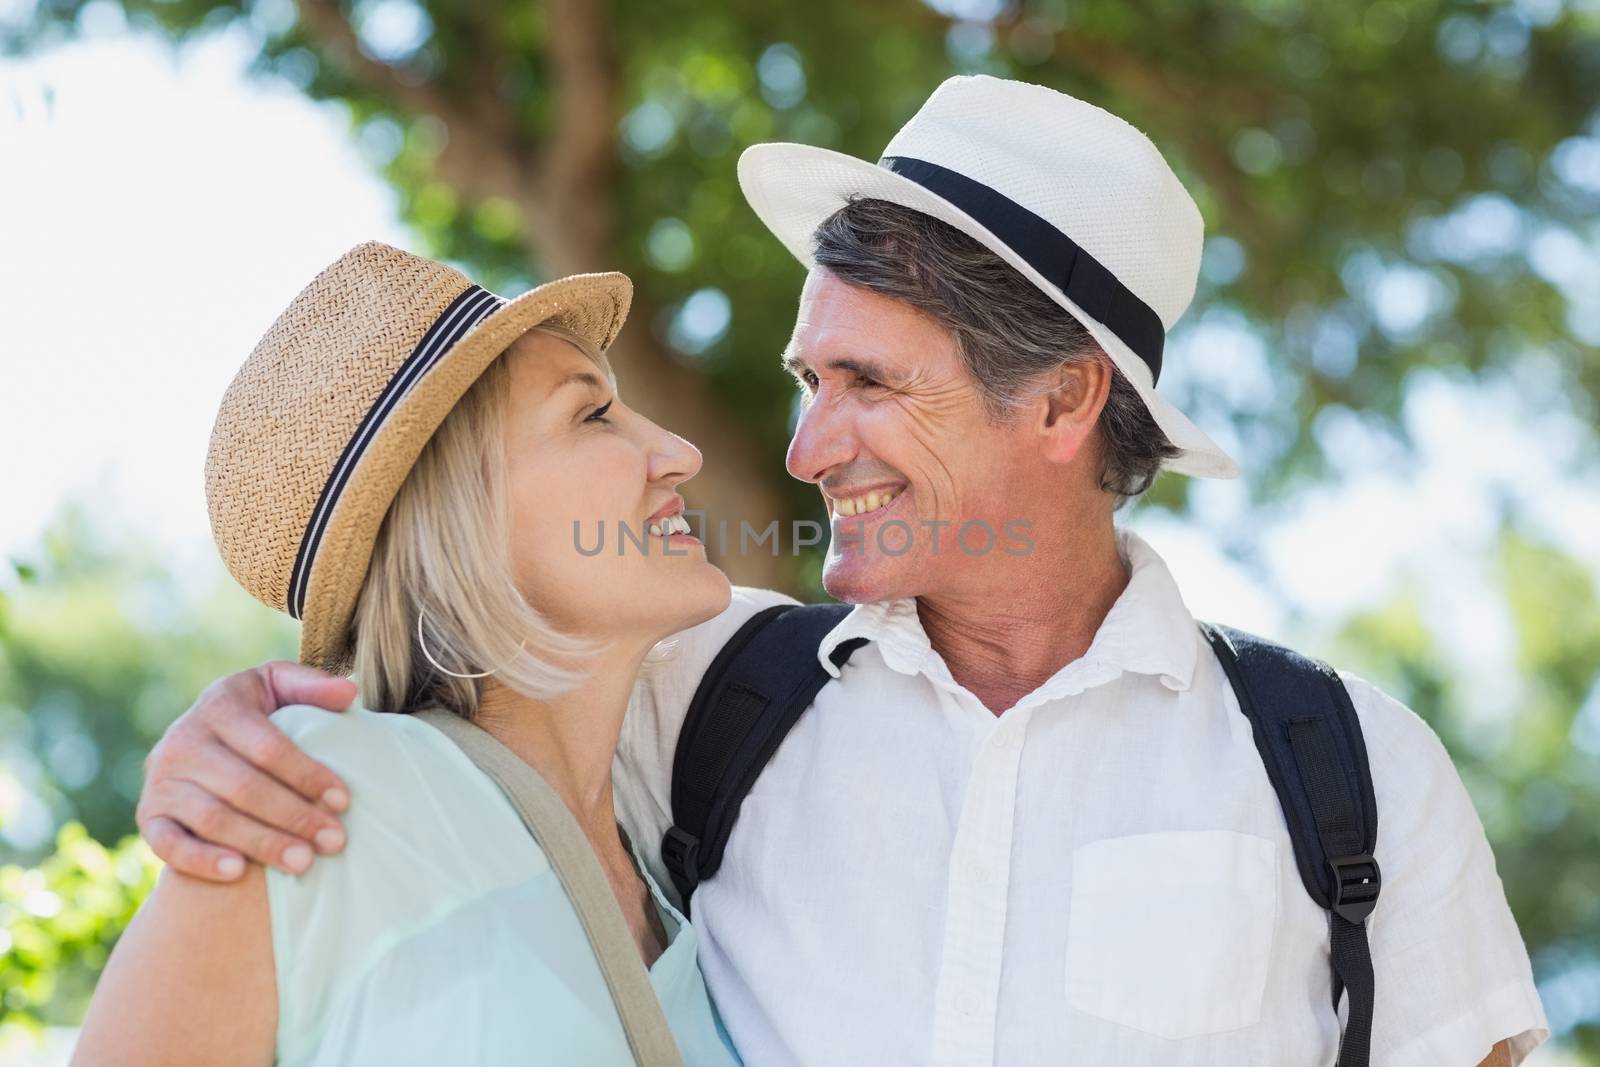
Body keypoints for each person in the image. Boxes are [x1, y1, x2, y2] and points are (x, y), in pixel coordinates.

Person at [131, 77, 1548, 1066]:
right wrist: (238, 723)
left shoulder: (1349, 773)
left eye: (867, 383)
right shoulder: (704, 695)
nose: (803, 449)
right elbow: (446, 685)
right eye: (807, 378)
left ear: (1059, 404)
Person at [73, 243, 741, 1066]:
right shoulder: (311, 797)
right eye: (591, 414)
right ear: (458, 517)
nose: (679, 452)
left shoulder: (681, 856)